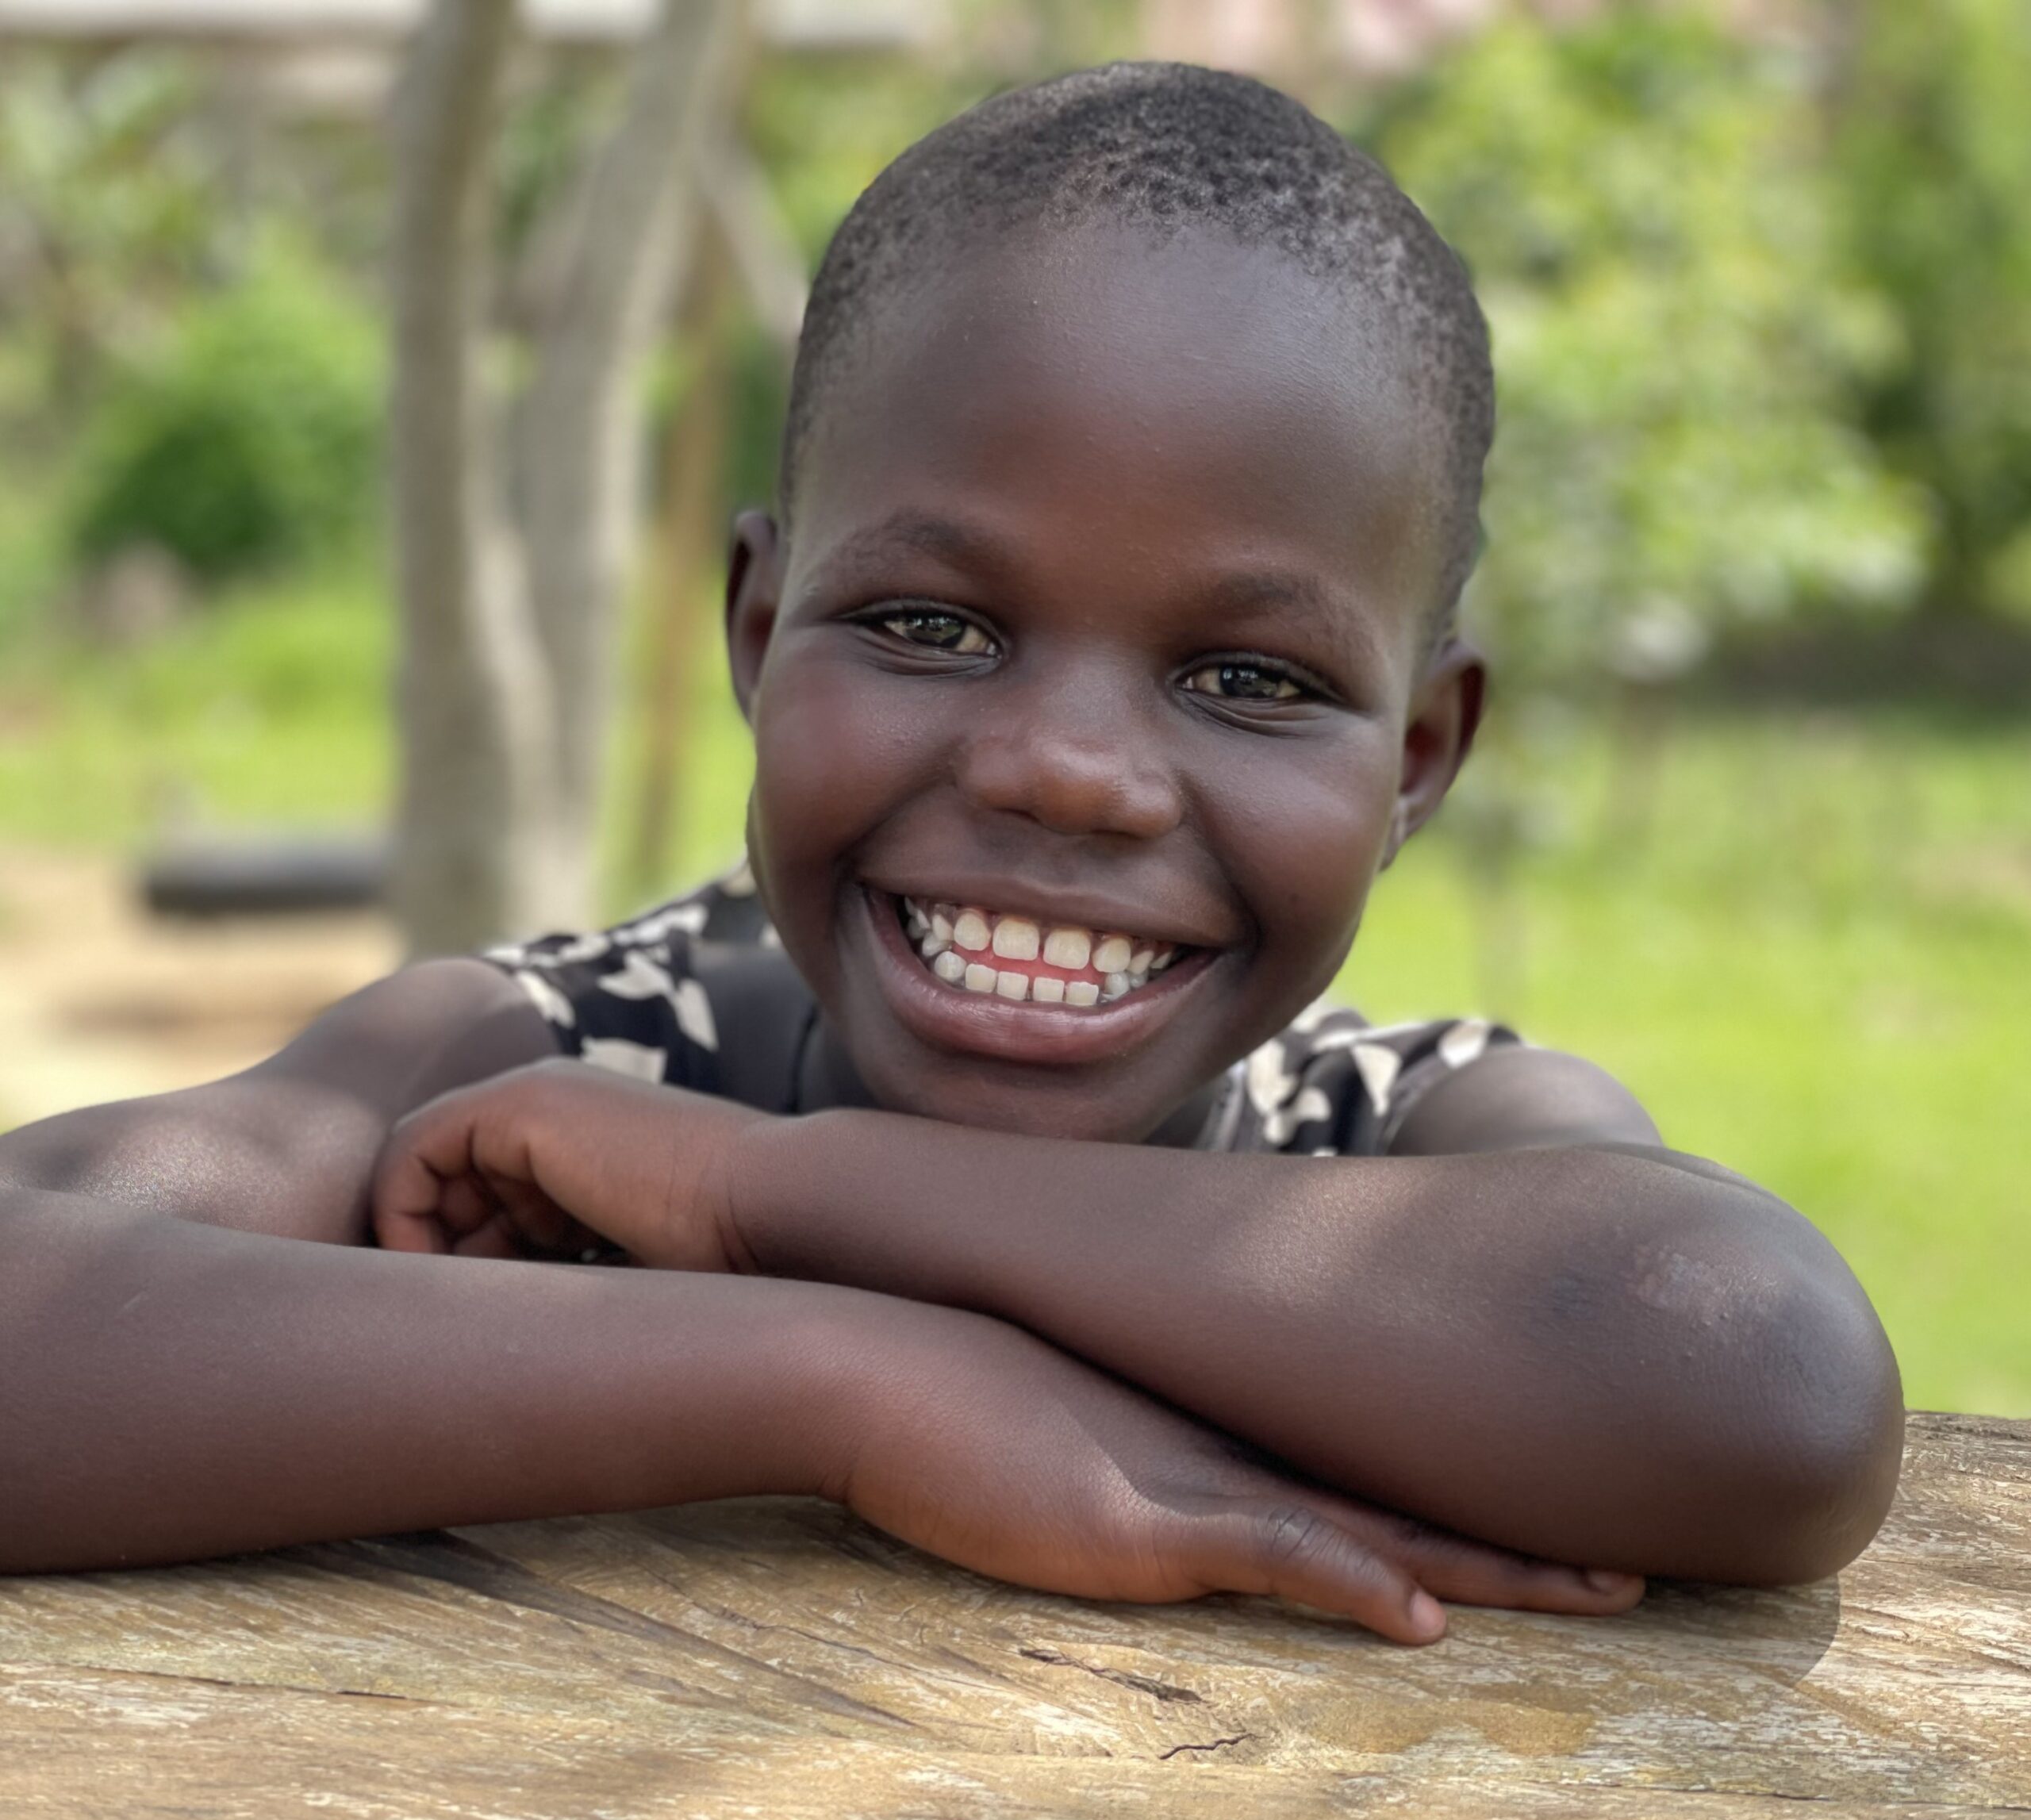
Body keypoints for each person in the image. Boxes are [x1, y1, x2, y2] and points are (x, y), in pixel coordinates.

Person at [0, 63, 1902, 1645]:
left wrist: (766, 1194)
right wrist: (850, 1381)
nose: (1068, 774)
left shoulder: (1407, 1135)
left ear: (1415, 757)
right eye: (929, 626)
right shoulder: (546, 1070)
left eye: (1247, 677)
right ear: (761, 633)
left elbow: (1768, 1387)